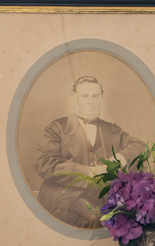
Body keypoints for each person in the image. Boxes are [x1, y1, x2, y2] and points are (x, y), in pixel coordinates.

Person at [33, 76, 146, 229]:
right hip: (64, 198)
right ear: (74, 99)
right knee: (94, 219)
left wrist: (119, 158)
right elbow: (45, 164)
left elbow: (140, 146)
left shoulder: (112, 129)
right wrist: (92, 172)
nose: (91, 102)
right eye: (85, 96)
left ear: (101, 98)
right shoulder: (56, 128)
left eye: (95, 96)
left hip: (102, 199)